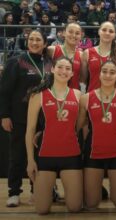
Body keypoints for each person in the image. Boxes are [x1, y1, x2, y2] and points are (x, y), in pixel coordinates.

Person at [0, 30, 52, 207]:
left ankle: (36, 190)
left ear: (45, 43)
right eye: (31, 39)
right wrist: (5, 115)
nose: (34, 42)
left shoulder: (49, 63)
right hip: (19, 116)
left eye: (38, 40)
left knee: (40, 156)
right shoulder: (16, 61)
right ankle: (14, 192)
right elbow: (4, 91)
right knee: (18, 155)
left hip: (43, 118)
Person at [25, 57, 83, 214]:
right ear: (52, 69)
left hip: (71, 155)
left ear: (72, 74)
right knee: (42, 210)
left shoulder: (78, 95)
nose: (63, 71)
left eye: (67, 69)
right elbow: (30, 129)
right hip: (45, 156)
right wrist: (30, 161)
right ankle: (51, 192)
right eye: (60, 67)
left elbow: (81, 125)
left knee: (75, 207)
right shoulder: (38, 95)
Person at [77, 60, 116, 209]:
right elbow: (77, 126)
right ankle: (97, 190)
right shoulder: (86, 98)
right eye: (104, 71)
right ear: (99, 75)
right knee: (91, 204)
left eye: (112, 72)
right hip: (94, 152)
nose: (108, 75)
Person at [81, 21, 116, 92]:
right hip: (92, 97)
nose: (107, 33)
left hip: (112, 98)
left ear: (115, 35)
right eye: (104, 30)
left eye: (111, 31)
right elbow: (83, 81)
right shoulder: (87, 53)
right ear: (99, 32)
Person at [48, 22, 82, 90]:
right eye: (70, 32)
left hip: (73, 96)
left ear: (81, 36)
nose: (74, 35)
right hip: (54, 94)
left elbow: (82, 79)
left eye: (77, 33)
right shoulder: (52, 50)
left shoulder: (82, 55)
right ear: (64, 33)